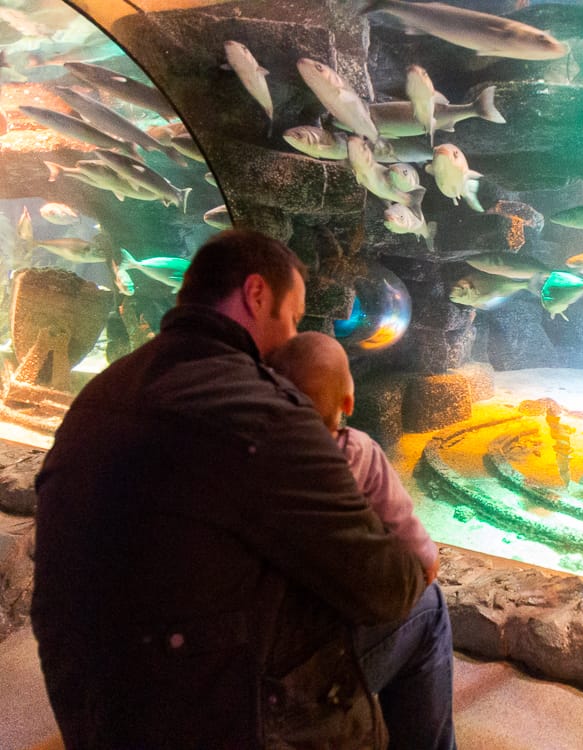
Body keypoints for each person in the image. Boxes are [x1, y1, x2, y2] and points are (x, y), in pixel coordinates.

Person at [31, 230, 456, 750]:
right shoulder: (265, 412)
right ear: (257, 294)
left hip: (91, 701)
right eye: (293, 318)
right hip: (206, 717)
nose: (293, 340)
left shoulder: (105, 389)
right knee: (425, 607)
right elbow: (388, 587)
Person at [267, 332, 440, 585]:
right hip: (349, 572)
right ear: (348, 404)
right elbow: (398, 513)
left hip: (289, 571)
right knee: (433, 605)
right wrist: (427, 554)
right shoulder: (360, 450)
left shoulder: (269, 450)